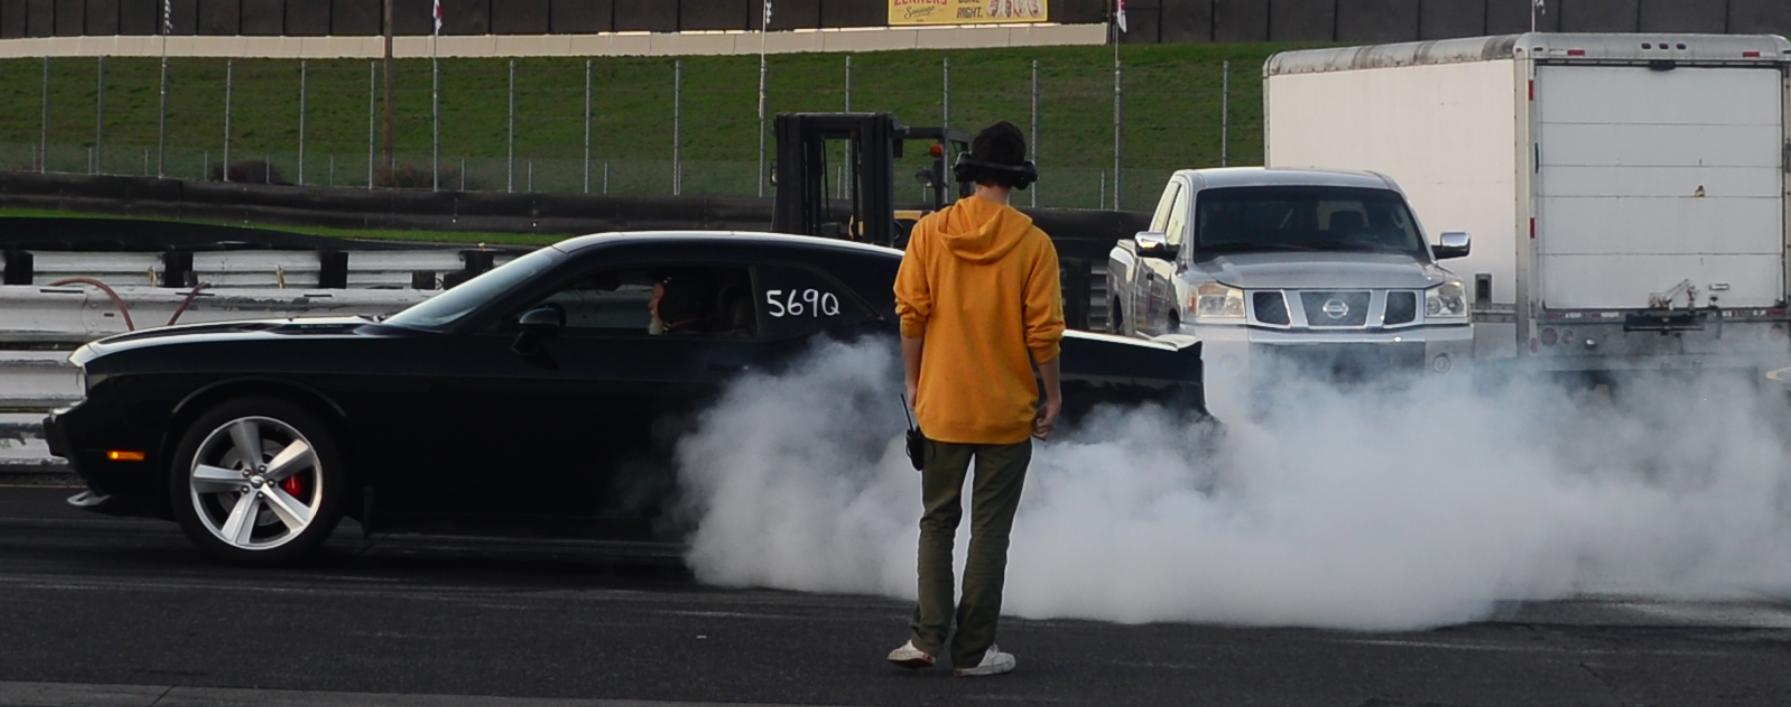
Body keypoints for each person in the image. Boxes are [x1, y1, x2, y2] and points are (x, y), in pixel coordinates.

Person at [886, 121, 1065, 678]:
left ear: (969, 174)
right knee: (990, 532)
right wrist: (1051, 394)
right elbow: (1044, 332)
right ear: (1017, 179)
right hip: (1006, 414)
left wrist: (915, 381)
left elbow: (910, 314)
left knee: (937, 522)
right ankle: (973, 653)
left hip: (942, 407)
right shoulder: (1033, 244)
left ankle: (925, 639)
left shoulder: (929, 233)